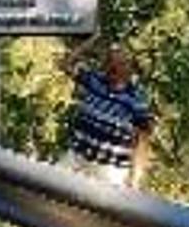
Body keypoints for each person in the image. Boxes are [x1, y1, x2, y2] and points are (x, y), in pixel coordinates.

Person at [59, 32, 154, 188]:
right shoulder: (95, 80)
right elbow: (65, 65)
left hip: (108, 170)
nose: (111, 66)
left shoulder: (137, 99)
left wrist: (134, 180)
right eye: (109, 61)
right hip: (76, 158)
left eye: (118, 63)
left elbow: (142, 140)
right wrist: (92, 39)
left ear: (129, 68)